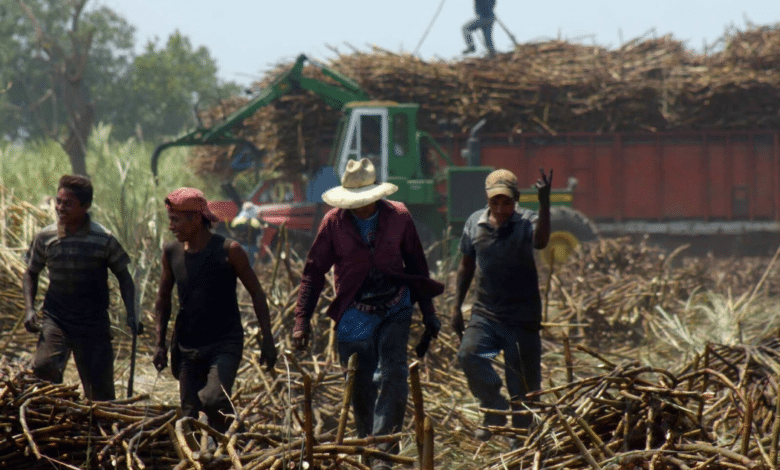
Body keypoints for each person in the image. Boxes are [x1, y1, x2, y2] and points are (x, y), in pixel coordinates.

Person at [292, 158, 443, 469]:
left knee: (393, 375)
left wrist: (428, 312)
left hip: (394, 306)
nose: (360, 208)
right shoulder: (333, 223)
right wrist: (301, 321)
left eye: (366, 202)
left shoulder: (399, 216)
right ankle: (370, 446)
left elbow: (417, 265)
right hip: (354, 312)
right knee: (360, 384)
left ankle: (382, 451)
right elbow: (313, 272)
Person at [152, 187, 277, 433]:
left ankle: (237, 440)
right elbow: (163, 299)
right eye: (170, 220)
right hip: (188, 346)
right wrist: (160, 344)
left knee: (213, 400)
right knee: (188, 415)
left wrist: (268, 339)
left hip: (224, 343)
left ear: (196, 219)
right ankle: (214, 455)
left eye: (176, 220)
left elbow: (257, 293)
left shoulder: (229, 251)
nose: (171, 226)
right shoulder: (172, 252)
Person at [451, 168, 552, 441]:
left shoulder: (526, 221)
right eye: (495, 202)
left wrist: (544, 203)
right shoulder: (475, 223)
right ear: (488, 200)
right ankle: (493, 407)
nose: (500, 208)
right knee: (468, 355)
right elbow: (465, 266)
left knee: (523, 389)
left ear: (516, 199)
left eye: (506, 202)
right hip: (486, 313)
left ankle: (519, 444)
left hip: (522, 318)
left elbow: (541, 242)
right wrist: (456, 307)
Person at [23, 174, 140, 401]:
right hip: (57, 318)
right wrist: (29, 309)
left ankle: (99, 432)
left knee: (101, 394)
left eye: (68, 204)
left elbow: (124, 277)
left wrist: (132, 313)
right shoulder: (45, 237)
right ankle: (54, 414)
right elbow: (30, 272)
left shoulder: (103, 238)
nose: (60, 208)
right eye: (58, 202)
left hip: (93, 322)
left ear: (85, 206)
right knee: (43, 369)